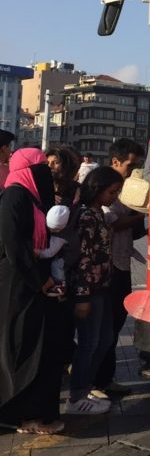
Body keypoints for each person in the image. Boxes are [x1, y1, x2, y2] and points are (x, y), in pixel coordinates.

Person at [0, 149, 70, 435]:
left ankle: (33, 412)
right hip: (18, 284)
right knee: (22, 348)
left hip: (31, 282)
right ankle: (20, 414)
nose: (46, 172)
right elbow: (13, 246)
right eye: (40, 167)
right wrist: (38, 280)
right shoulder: (15, 196)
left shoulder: (31, 198)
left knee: (37, 347)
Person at [65, 166, 123, 416]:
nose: (115, 197)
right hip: (89, 289)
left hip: (103, 287)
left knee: (104, 340)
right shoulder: (87, 216)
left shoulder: (99, 213)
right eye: (112, 192)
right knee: (89, 342)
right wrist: (83, 296)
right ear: (97, 189)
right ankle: (76, 395)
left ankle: (85, 386)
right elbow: (84, 259)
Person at [91, 139, 146, 399]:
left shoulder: (127, 189)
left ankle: (106, 378)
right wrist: (138, 216)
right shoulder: (104, 186)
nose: (135, 171)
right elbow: (109, 220)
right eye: (130, 165)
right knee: (103, 329)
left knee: (114, 326)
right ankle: (94, 382)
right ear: (115, 162)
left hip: (122, 265)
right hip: (107, 269)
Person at [38, 204, 71, 298]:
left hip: (67, 256)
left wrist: (38, 253)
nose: (51, 231)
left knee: (57, 265)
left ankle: (59, 284)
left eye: (55, 229)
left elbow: (50, 252)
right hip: (66, 252)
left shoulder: (62, 237)